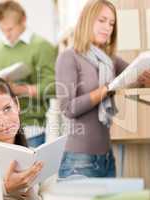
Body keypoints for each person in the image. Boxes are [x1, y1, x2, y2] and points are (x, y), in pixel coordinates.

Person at [56, 0, 150, 179]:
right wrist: (106, 89)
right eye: (102, 20)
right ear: (87, 20)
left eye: (112, 23)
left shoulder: (111, 61)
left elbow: (135, 77)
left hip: (107, 160)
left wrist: (146, 80)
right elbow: (68, 108)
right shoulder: (69, 57)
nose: (108, 27)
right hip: (79, 162)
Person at [0, 0, 58, 147]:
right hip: (1, 130)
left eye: (10, 29)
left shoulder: (41, 46)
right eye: (2, 30)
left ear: (23, 20)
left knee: (31, 169)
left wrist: (17, 90)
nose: (6, 35)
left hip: (31, 129)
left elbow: (53, 87)